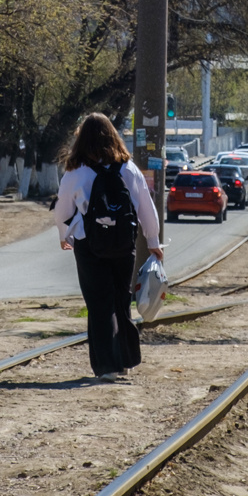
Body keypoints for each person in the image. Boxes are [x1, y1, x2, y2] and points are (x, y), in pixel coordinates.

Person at [49, 113, 162, 382]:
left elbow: (62, 211)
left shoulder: (75, 172)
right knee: (121, 301)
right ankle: (125, 361)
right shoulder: (129, 169)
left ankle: (106, 367)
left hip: (90, 246)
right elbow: (146, 208)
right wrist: (154, 241)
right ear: (113, 136)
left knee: (99, 304)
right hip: (124, 244)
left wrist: (65, 235)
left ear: (82, 140)